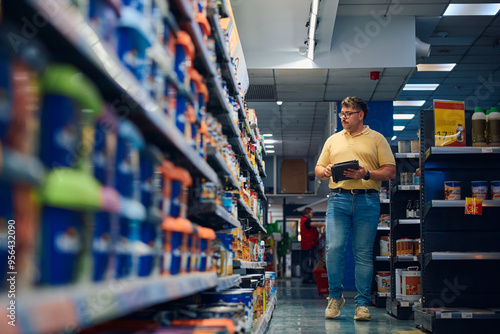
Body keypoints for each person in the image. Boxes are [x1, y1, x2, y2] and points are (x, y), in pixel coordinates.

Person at [315, 97, 396, 321]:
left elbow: (390, 171)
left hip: (367, 200)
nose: (343, 116)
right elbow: (318, 168)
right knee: (334, 250)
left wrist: (366, 174)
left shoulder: (377, 139)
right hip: (338, 200)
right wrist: (326, 171)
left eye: (348, 112)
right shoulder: (333, 140)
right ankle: (335, 297)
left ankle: (362, 304)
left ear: (361, 115)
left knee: (363, 254)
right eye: (342, 112)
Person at [300, 207, 326, 283]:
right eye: (311, 213)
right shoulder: (306, 220)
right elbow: (312, 224)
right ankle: (309, 277)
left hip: (307, 245)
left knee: (308, 261)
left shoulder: (303, 220)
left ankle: (308, 277)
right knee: (309, 261)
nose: (312, 214)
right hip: (309, 245)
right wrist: (323, 224)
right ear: (307, 213)